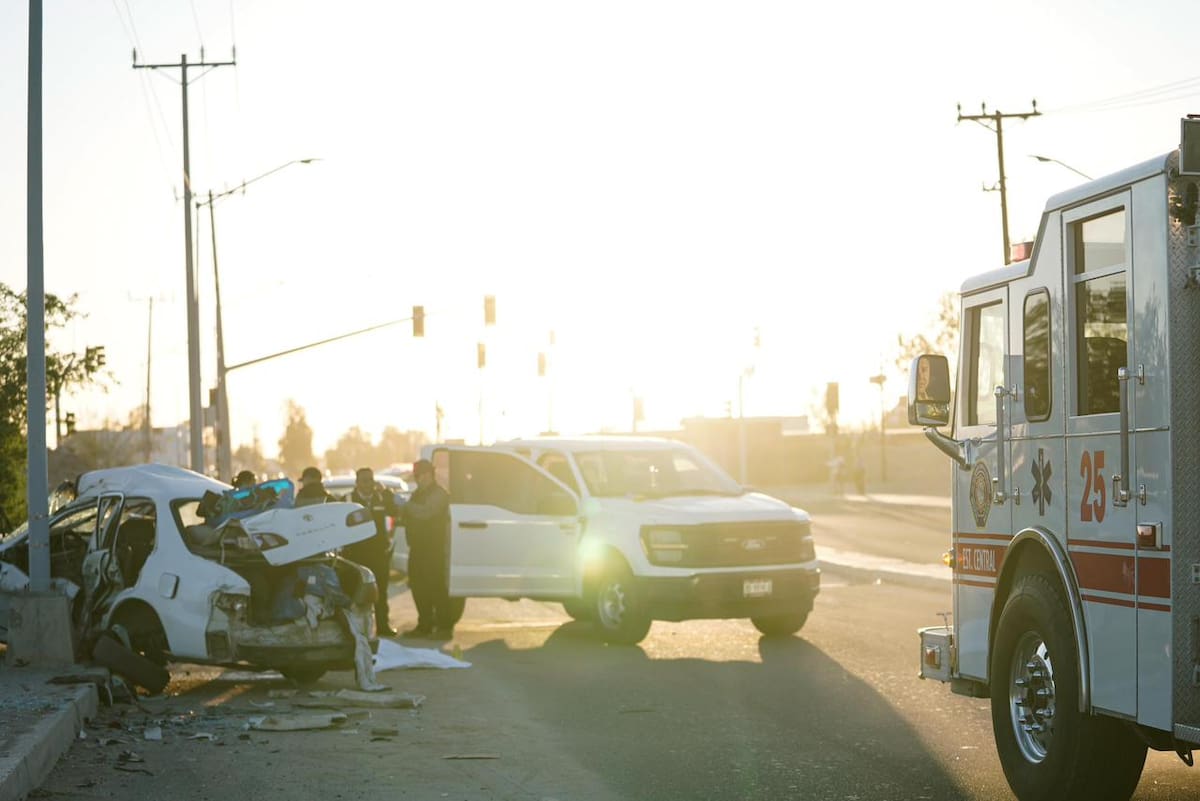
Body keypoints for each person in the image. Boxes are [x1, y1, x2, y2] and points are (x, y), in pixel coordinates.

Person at [343, 467, 400, 637]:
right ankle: (356, 629)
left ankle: (383, 626)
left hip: (378, 554)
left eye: (371, 480)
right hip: (355, 554)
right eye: (364, 480)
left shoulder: (380, 498)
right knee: (355, 591)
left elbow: (394, 511)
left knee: (380, 591)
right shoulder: (348, 500)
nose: (368, 484)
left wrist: (387, 493)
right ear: (357, 483)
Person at [400, 458, 452, 639]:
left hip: (433, 548)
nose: (417, 479)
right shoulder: (417, 494)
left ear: (429, 474)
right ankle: (425, 625)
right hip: (418, 547)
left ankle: (444, 627)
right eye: (415, 476)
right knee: (418, 586)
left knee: (436, 587)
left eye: (419, 475)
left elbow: (425, 512)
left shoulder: (439, 494)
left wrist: (405, 505)